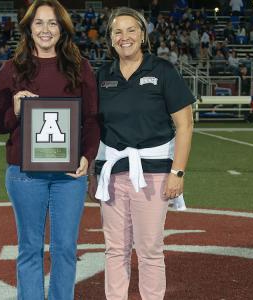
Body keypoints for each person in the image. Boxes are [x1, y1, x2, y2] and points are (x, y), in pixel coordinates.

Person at [0, 0, 99, 298]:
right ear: (28, 28)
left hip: (68, 174)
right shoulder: (12, 69)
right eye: (39, 22)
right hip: (24, 173)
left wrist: (87, 157)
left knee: (65, 248)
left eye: (52, 23)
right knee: (30, 247)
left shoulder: (81, 68)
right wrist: (14, 109)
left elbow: (91, 120)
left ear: (62, 29)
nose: (45, 29)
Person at [89, 7, 194, 300]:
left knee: (149, 249)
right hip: (112, 173)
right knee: (115, 249)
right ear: (110, 40)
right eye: (117, 32)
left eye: (131, 30)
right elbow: (94, 127)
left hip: (155, 172)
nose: (125, 37)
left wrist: (178, 171)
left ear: (143, 35)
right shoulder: (103, 75)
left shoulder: (162, 70)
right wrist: (92, 173)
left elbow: (185, 124)